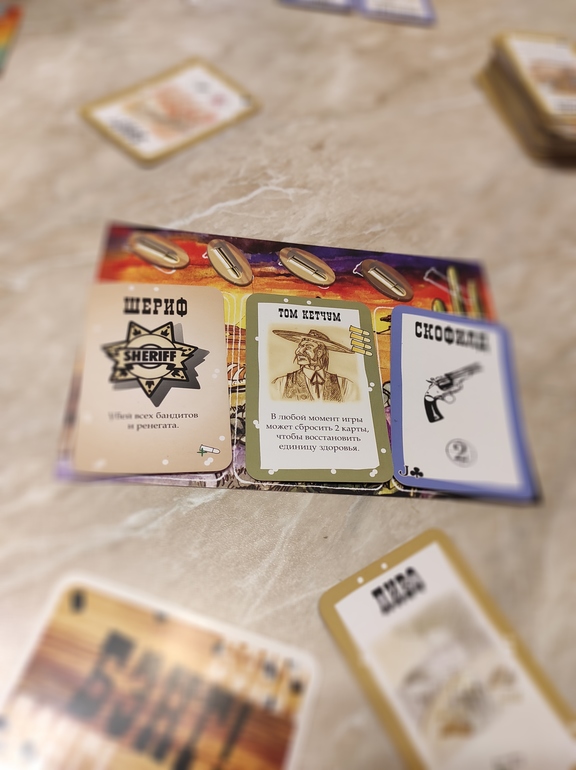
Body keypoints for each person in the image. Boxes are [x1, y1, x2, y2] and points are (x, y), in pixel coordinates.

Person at [271, 328, 357, 402]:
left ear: (319, 353)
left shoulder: (345, 385)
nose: (298, 351)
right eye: (300, 346)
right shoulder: (280, 384)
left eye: (308, 347)